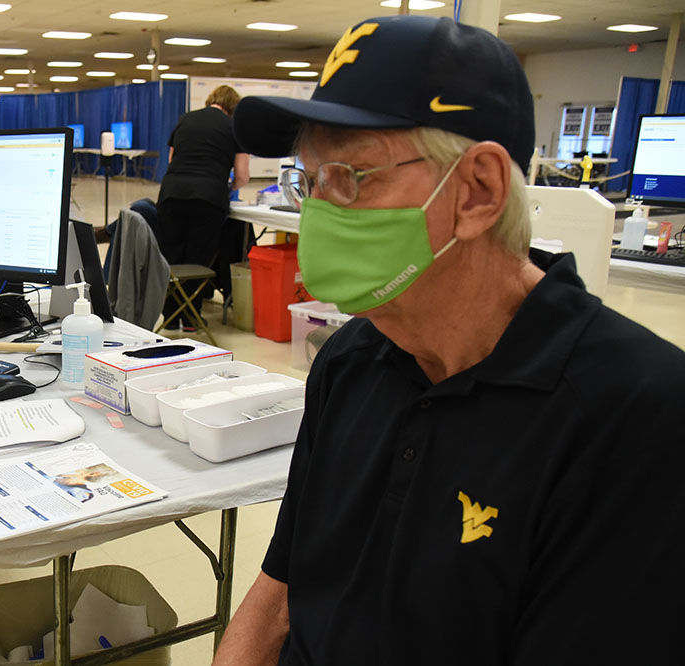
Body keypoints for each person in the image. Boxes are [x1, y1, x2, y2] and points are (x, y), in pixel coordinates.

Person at [215, 15, 685, 666]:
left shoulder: (636, 416)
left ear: (479, 190)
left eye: (349, 177)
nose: (316, 213)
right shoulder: (349, 360)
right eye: (309, 180)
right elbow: (282, 592)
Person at [156, 85, 249, 328]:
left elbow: (171, 160)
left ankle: (170, 315)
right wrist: (225, 187)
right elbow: (242, 175)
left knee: (172, 256)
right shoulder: (235, 127)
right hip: (208, 197)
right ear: (233, 107)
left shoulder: (186, 120)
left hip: (171, 193)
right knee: (197, 258)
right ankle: (190, 317)